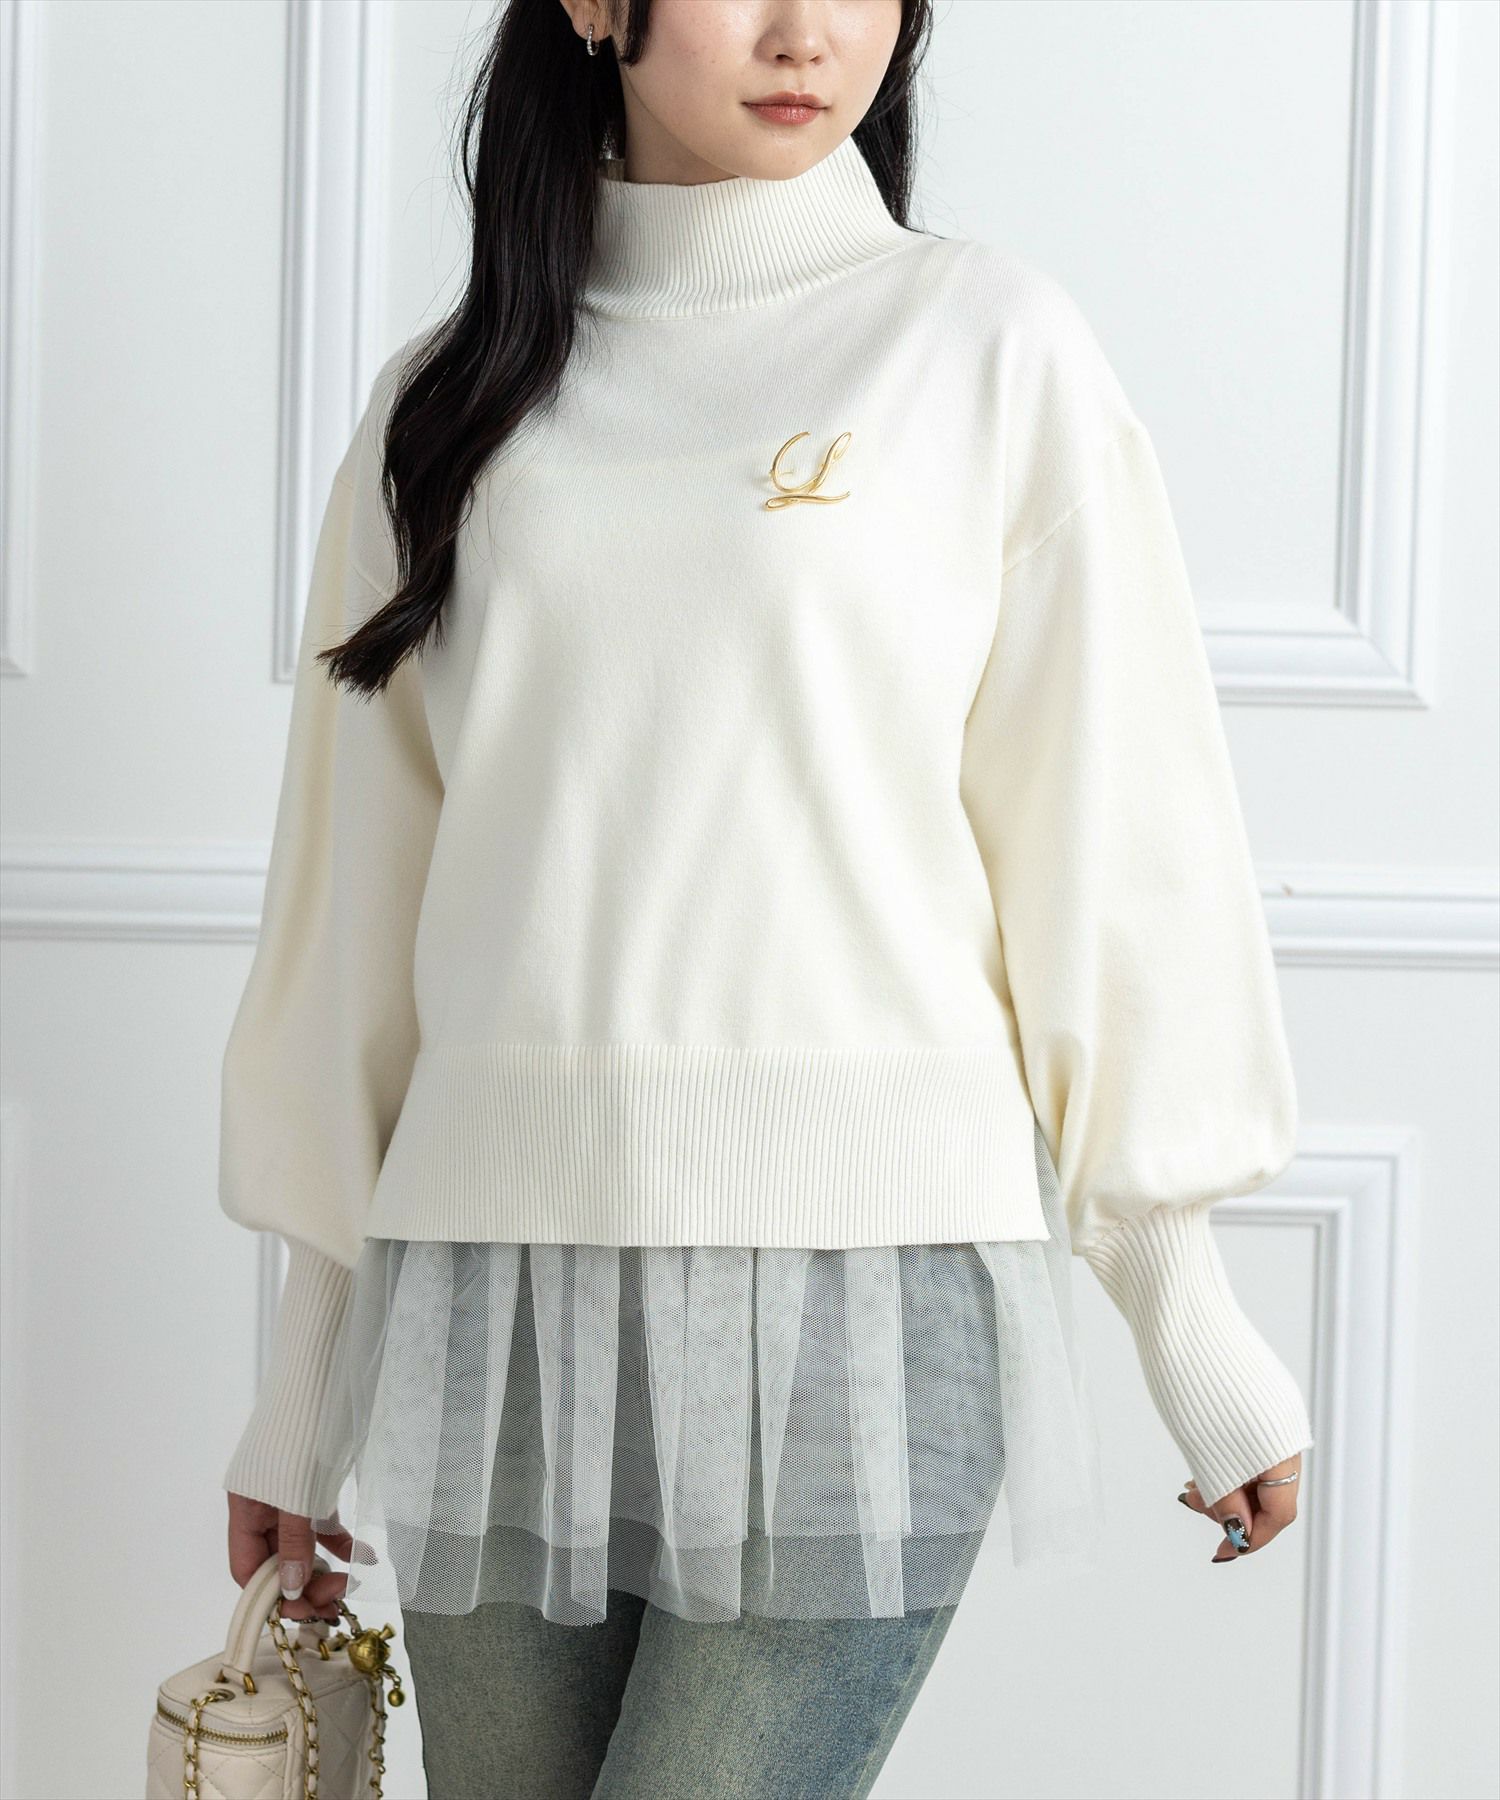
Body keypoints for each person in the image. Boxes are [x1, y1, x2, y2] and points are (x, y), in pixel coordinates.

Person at [217, 1, 1313, 1794]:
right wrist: (303, 1390)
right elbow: (356, 923)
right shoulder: (447, 403)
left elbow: (1115, 845)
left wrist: (1189, 1319)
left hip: (861, 1306)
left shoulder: (984, 347)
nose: (811, 32)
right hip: (494, 1305)